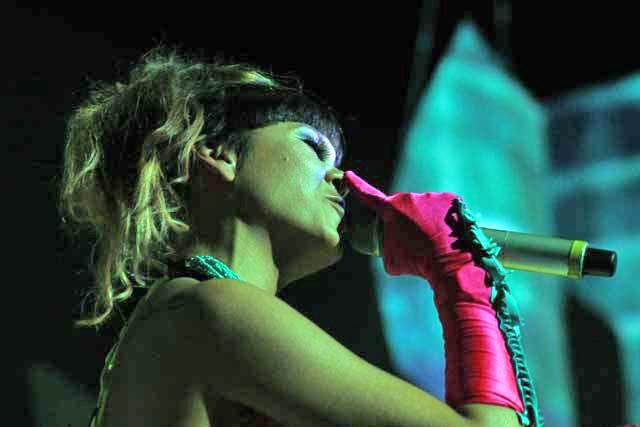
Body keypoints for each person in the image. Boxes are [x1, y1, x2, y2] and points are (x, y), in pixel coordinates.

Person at [57, 44, 541, 426]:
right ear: (219, 156)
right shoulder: (208, 309)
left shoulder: (188, 310)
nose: (343, 179)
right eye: (314, 148)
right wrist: (460, 272)